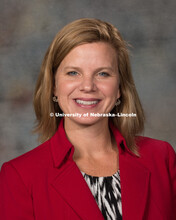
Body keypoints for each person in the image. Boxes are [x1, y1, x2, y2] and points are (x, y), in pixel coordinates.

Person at [0, 18, 175, 220]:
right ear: (54, 86)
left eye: (102, 73)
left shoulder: (161, 158)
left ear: (119, 88)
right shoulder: (19, 176)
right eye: (73, 73)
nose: (88, 86)